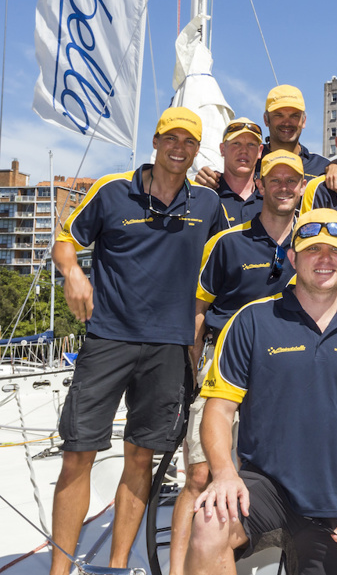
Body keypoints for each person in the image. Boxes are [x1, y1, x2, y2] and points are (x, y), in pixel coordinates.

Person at [50, 107, 226, 575]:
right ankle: (59, 570)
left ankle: (117, 566)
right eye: (172, 138)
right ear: (155, 139)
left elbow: (225, 263)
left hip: (170, 348)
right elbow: (64, 242)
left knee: (140, 458)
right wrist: (73, 273)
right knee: (77, 454)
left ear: (196, 150)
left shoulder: (207, 205)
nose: (179, 148)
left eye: (189, 142)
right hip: (108, 337)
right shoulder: (112, 191)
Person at [185, 208, 337, 575]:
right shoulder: (252, 320)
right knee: (210, 524)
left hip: (334, 499)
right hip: (265, 486)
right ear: (292, 256)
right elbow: (219, 411)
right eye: (313, 249)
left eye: (335, 250)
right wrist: (224, 473)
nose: (324, 259)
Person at [168, 149, 304, 574]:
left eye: (291, 181)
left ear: (303, 187)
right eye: (274, 180)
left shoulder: (315, 244)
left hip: (285, 372)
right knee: (200, 475)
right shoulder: (227, 243)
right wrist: (197, 371)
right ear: (259, 186)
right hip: (224, 369)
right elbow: (196, 310)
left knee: (262, 475)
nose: (283, 187)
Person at [196, 84, 330, 188]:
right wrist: (206, 180)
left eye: (294, 116)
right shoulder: (251, 161)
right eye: (279, 115)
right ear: (266, 119)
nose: (287, 122)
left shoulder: (322, 167)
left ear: (304, 121)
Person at [215, 117, 264, 226]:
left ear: (260, 151)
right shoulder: (209, 195)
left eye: (251, 144)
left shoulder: (270, 199)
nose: (244, 150)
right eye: (236, 143)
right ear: (222, 149)